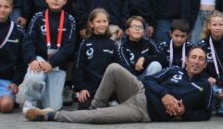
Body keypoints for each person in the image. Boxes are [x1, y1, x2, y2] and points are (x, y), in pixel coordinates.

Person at [26, 47, 213, 123]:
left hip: (144, 111)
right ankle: (94, 106)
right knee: (114, 67)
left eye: (201, 59)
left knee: (98, 118)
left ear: (205, 64)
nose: (196, 62)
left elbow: (205, 113)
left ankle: (52, 115)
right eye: (193, 57)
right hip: (139, 90)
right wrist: (165, 95)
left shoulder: (205, 86)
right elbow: (148, 80)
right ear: (186, 60)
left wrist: (183, 113)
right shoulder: (174, 70)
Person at [22, 0, 77, 113]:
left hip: (57, 63)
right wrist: (32, 59)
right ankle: (31, 100)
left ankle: (43, 96)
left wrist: (52, 63)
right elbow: (28, 41)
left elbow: (69, 47)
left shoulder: (70, 20)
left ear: (65, 0)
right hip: (40, 59)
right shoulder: (37, 18)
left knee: (53, 108)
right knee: (34, 78)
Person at [73, 8, 120, 110]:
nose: (102, 24)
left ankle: (110, 101)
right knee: (85, 110)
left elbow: (119, 68)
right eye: (98, 21)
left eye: (104, 21)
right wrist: (81, 88)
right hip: (90, 89)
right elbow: (78, 67)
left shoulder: (112, 44)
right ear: (91, 24)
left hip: (108, 88)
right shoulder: (85, 44)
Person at [197, 11, 223, 115]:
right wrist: (207, 78)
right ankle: (214, 100)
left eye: (220, 24)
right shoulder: (202, 44)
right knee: (207, 105)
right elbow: (198, 68)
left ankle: (219, 101)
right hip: (211, 84)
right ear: (209, 26)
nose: (217, 28)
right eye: (214, 24)